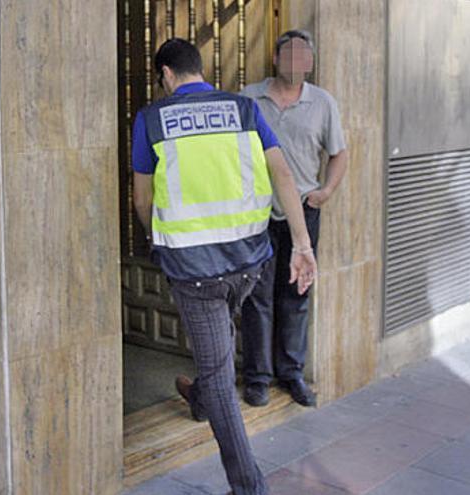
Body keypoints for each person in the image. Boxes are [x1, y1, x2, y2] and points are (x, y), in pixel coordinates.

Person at [131, 38, 317, 495]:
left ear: (167, 75)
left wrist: (159, 240)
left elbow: (142, 199)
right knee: (216, 352)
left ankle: (248, 485)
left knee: (217, 373)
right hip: (249, 261)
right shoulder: (243, 109)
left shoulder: (151, 119)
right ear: (200, 69)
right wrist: (302, 244)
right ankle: (199, 399)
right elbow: (283, 175)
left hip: (195, 270)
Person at [239, 30, 347, 408]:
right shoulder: (248, 99)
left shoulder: (323, 102)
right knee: (257, 296)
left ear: (311, 63)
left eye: (304, 55)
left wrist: (326, 191)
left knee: (296, 293)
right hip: (257, 214)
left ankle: (292, 373)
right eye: (290, 54)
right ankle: (257, 378)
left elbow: (339, 153)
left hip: (303, 210)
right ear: (276, 58)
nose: (297, 61)